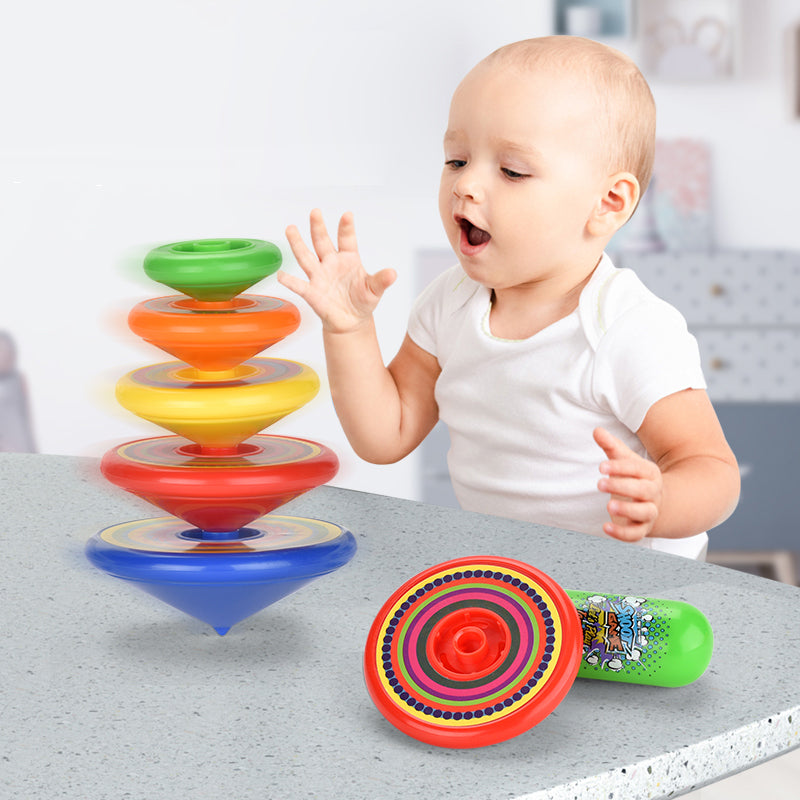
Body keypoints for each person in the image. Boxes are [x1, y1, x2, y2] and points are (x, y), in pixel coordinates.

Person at [278, 35, 740, 559]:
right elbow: (386, 436)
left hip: (634, 588)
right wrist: (350, 330)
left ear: (608, 203)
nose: (466, 185)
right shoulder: (448, 303)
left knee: (635, 644)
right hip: (518, 582)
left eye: (512, 171)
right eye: (456, 160)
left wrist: (663, 501)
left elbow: (713, 470)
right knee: (419, 633)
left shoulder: (627, 328)